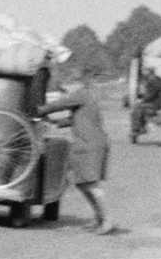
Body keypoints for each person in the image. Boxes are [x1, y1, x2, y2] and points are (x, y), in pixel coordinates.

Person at [47, 76, 121, 232]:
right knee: (82, 184)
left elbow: (59, 105)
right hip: (90, 144)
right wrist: (52, 122)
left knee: (91, 184)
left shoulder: (81, 94)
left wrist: (40, 109)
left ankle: (107, 220)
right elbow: (74, 119)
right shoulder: (87, 97)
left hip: (90, 145)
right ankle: (99, 218)